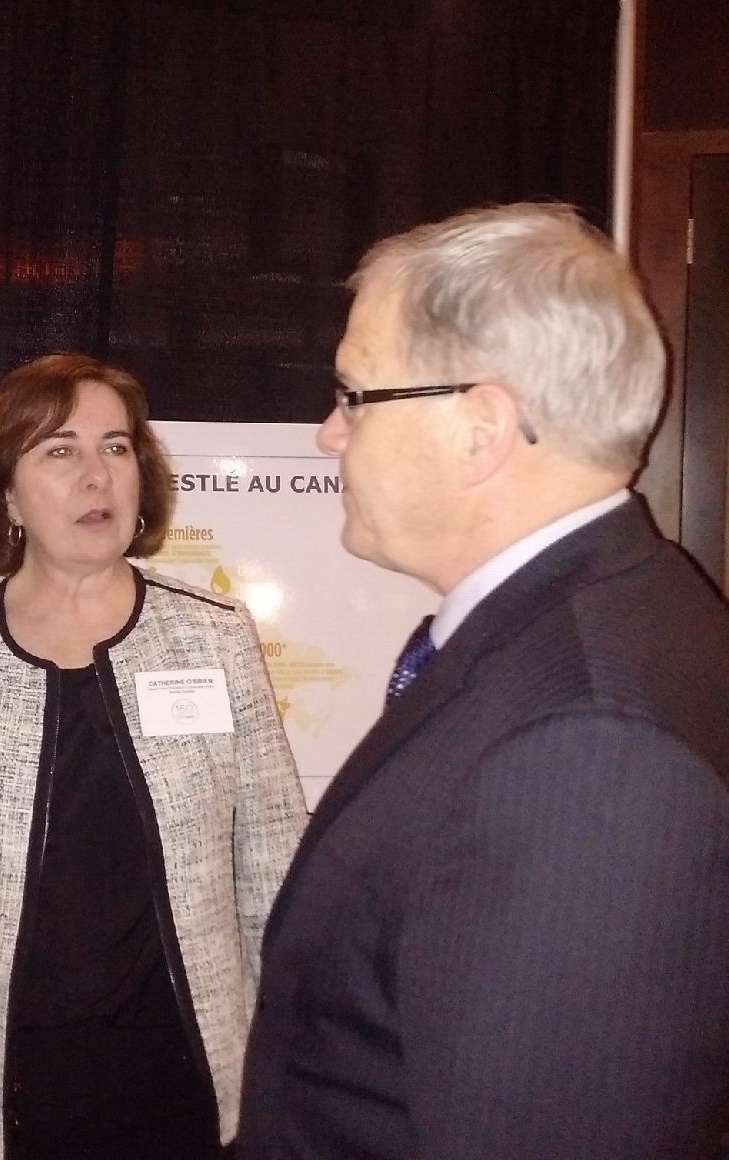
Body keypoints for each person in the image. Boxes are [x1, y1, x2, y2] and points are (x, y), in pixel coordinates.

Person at [237, 203, 729, 1160]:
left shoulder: (589, 748)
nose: (329, 436)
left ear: (481, 427)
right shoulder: (589, 621)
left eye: (353, 395)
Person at [0, 351, 306, 1159]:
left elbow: (273, 863)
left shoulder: (212, 635)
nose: (96, 475)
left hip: (187, 1084)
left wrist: (290, 1058)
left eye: (116, 447)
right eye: (60, 450)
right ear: (7, 494)